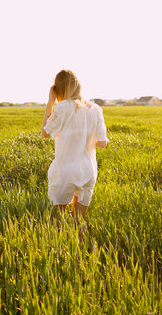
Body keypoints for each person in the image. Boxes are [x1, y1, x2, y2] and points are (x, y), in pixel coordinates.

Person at [41, 69, 108, 230]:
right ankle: (81, 252)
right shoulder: (95, 109)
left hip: (66, 171)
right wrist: (84, 138)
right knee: (79, 223)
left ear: (58, 89)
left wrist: (50, 102)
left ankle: (61, 252)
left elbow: (45, 133)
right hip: (88, 171)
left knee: (58, 224)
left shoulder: (63, 107)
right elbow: (102, 143)